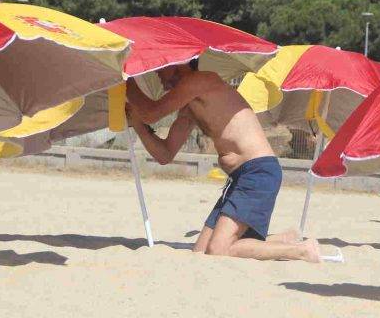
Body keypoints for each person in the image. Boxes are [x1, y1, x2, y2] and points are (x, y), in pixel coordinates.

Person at [125, 61, 321, 263]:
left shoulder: (201, 80)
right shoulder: (190, 106)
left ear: (181, 63)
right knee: (201, 250)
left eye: (160, 67)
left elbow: (151, 112)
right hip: (240, 178)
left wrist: (124, 78)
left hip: (257, 172)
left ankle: (301, 250)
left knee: (219, 249)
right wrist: (138, 125)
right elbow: (164, 155)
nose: (156, 72)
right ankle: (284, 238)